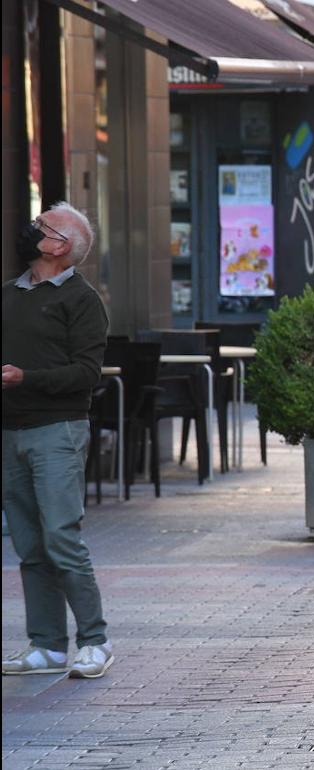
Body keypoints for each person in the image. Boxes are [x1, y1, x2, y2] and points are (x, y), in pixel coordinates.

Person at [2, 203, 114, 679]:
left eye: (40, 225)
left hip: (57, 431)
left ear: (59, 245)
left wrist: (25, 377)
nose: (30, 230)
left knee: (61, 538)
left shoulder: (82, 300)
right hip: (11, 432)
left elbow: (85, 374)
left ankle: (95, 641)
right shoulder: (9, 294)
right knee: (29, 544)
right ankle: (46, 645)